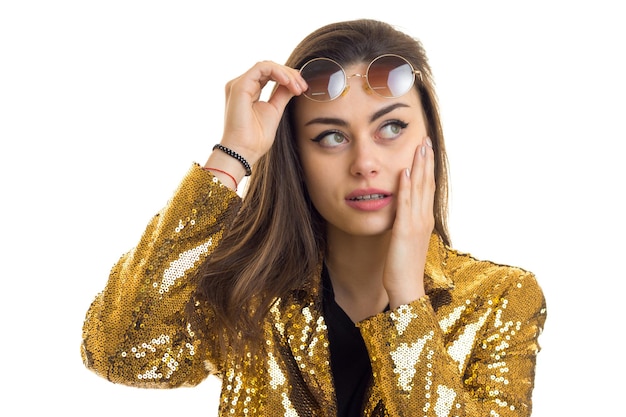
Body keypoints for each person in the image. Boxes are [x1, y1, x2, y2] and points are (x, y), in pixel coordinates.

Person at [81, 18, 547, 417]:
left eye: (391, 127)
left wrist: (407, 298)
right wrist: (232, 155)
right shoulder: (251, 293)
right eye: (330, 137)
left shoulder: (501, 298)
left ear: (431, 142)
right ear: (296, 158)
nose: (365, 162)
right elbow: (119, 353)